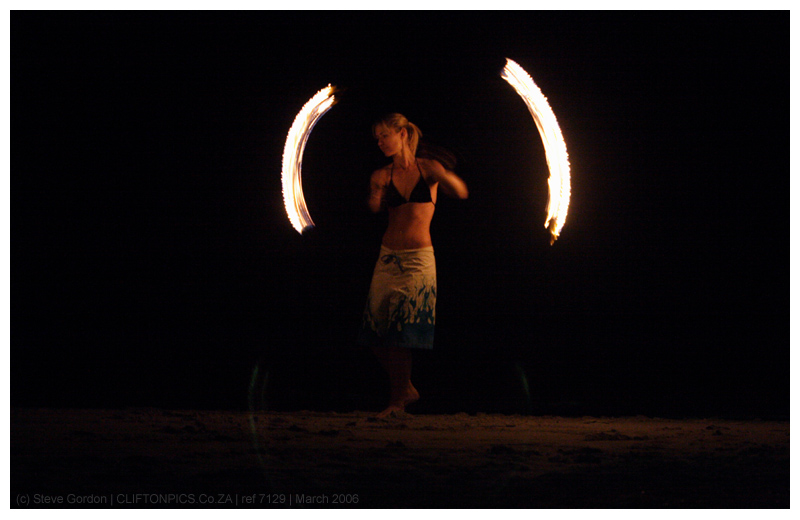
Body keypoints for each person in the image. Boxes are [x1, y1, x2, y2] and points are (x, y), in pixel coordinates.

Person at [357, 113, 468, 417]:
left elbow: (460, 192)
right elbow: (373, 208)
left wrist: (443, 175)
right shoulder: (381, 173)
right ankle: (405, 387)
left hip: (418, 259)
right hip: (387, 257)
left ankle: (396, 402)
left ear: (402, 133)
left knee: (399, 333)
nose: (379, 142)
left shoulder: (427, 168)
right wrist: (377, 192)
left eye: (384, 135)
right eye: (377, 138)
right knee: (374, 332)